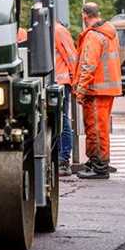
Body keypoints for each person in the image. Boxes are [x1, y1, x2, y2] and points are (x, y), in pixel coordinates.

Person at [73, 2, 122, 179]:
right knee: (100, 128)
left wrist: (80, 90)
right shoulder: (110, 33)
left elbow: (88, 65)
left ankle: (99, 166)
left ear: (84, 15)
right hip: (107, 88)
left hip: (96, 90)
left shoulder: (93, 36)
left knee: (95, 128)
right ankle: (97, 161)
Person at [54, 20, 78, 177]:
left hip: (61, 82)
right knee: (58, 120)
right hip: (54, 82)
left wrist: (74, 79)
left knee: (63, 119)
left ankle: (64, 159)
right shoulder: (49, 31)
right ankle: (60, 158)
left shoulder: (58, 31)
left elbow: (71, 56)